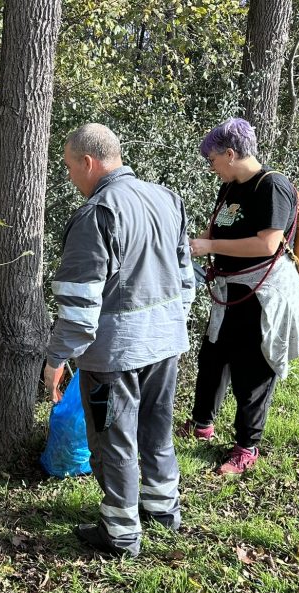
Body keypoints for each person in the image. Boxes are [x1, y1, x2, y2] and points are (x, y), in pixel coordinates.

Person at [43, 123, 195, 557]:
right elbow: (186, 278)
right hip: (166, 345)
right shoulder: (166, 198)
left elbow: (79, 303)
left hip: (115, 355)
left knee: (115, 442)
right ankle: (163, 509)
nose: (72, 179)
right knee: (156, 430)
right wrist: (170, 326)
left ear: (88, 163)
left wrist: (57, 358)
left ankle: (122, 534)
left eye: (71, 169)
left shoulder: (98, 213)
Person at [181, 118, 299, 475]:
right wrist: (197, 243)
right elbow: (215, 229)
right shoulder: (230, 186)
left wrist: (210, 245)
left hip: (261, 295)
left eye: (213, 160)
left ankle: (245, 447)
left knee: (251, 372)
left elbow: (268, 243)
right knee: (212, 358)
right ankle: (202, 424)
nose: (212, 167)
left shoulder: (272, 186)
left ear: (231, 154)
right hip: (229, 291)